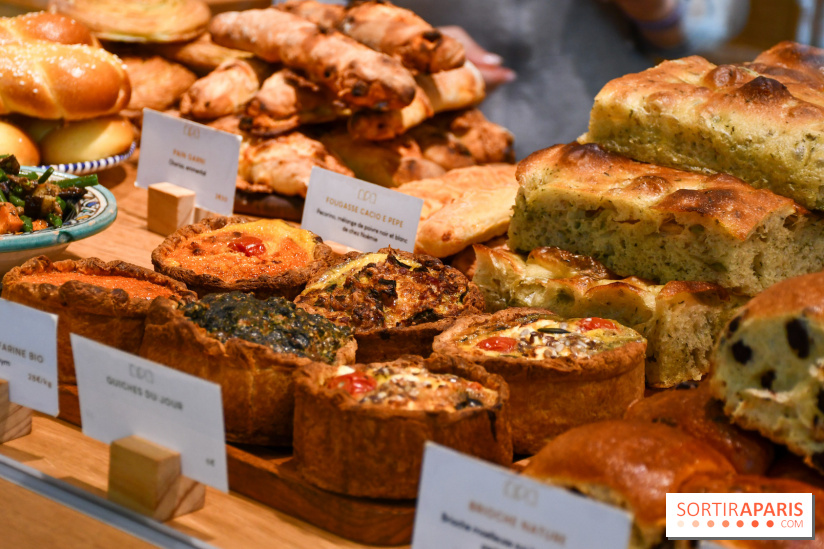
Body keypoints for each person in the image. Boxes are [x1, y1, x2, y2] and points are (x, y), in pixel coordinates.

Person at [393, 0, 749, 159]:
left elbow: (720, 18)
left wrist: (659, 11)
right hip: (420, 134)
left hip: (606, 141)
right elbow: (339, 12)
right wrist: (398, 39)